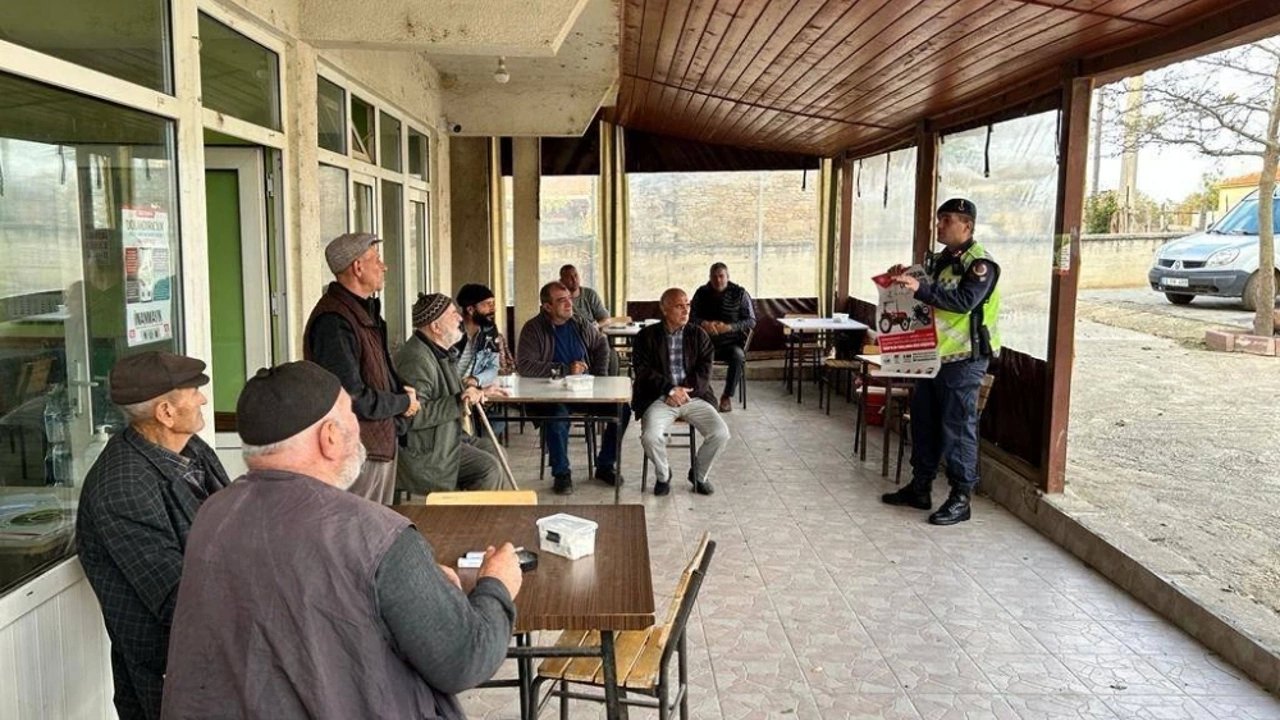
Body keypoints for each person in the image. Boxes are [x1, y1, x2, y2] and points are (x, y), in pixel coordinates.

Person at [160, 361, 521, 720]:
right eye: (351, 414)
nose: (359, 427)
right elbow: (465, 659)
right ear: (329, 436)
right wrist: (496, 585)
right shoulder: (377, 535)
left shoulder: (213, 515)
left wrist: (415, 585)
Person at [76, 351, 231, 720]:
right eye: (194, 391)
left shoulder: (191, 449)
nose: (203, 398)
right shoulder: (122, 487)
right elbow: (178, 598)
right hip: (172, 670)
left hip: (215, 651)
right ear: (165, 412)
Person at [881, 198, 1001, 526]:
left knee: (958, 427)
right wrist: (903, 278)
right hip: (931, 355)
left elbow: (963, 302)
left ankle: (961, 497)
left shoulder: (981, 264)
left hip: (963, 359)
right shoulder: (938, 261)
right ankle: (921, 486)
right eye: (939, 219)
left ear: (967, 225)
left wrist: (919, 287)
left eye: (946, 220)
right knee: (924, 422)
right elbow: (923, 294)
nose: (939, 225)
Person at [304, 232, 420, 504]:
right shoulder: (334, 321)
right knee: (359, 535)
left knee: (377, 532)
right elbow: (351, 395)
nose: (384, 266)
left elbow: (379, 372)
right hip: (358, 450)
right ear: (357, 267)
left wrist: (404, 395)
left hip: (377, 443)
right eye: (376, 259)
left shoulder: (362, 312)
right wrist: (403, 402)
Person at [516, 280, 630, 494]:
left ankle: (605, 465)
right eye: (561, 300)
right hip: (550, 394)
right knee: (557, 418)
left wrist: (599, 378)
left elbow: (601, 344)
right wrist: (564, 369)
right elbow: (525, 365)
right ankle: (562, 473)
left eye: (569, 298)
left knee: (622, 410)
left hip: (584, 391)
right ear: (547, 307)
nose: (569, 304)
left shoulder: (579, 323)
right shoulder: (533, 328)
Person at [396, 293, 507, 496]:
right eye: (453, 314)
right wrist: (459, 401)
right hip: (426, 449)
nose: (460, 318)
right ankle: (469, 523)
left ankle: (480, 517)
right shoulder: (416, 359)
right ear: (435, 327)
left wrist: (477, 392)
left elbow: (454, 393)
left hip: (446, 437)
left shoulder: (437, 350)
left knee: (497, 452)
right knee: (488, 469)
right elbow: (413, 414)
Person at [633, 288, 731, 497]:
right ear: (664, 308)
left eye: (687, 304)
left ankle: (699, 475)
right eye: (679, 306)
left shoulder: (698, 335)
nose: (685, 310)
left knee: (721, 433)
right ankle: (663, 475)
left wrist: (682, 391)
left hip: (693, 396)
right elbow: (642, 371)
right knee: (650, 437)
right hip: (659, 398)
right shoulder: (646, 336)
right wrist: (669, 390)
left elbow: (705, 370)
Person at [689, 262, 756, 413]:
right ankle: (705, 393)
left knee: (738, 356)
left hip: (730, 343)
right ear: (709, 278)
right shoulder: (701, 293)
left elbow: (751, 320)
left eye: (721, 276)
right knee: (689, 356)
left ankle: (726, 396)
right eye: (714, 277)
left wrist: (729, 327)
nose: (718, 280)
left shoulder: (740, 293)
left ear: (727, 277)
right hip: (705, 343)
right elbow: (691, 317)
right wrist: (704, 323)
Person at [454, 282, 510, 391]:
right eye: (488, 304)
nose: (493, 309)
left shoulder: (489, 329)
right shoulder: (452, 330)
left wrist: (477, 379)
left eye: (493, 304)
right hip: (448, 393)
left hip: (473, 392)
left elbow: (493, 367)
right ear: (470, 310)